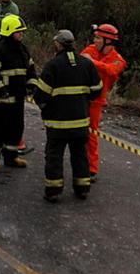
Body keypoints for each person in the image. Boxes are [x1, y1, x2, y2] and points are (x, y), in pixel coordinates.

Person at [33, 29, 102, 202]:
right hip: (80, 123)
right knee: (80, 155)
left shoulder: (53, 65)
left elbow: (40, 94)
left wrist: (46, 108)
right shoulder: (86, 64)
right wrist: (83, 102)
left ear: (58, 44)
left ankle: (54, 191)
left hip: (57, 124)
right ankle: (82, 188)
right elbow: (97, 90)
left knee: (54, 156)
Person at [0, 15, 37, 172]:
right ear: (8, 32)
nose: (21, 34)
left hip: (19, 98)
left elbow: (31, 70)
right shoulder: (0, 49)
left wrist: (32, 85)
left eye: (21, 32)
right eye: (18, 32)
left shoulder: (22, 50)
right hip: (3, 99)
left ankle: (11, 157)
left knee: (16, 128)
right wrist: (0, 89)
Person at [80, 23, 128, 182]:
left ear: (108, 41)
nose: (95, 40)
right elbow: (80, 61)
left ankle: (91, 168)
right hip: (80, 96)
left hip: (96, 101)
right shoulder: (90, 50)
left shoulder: (117, 60)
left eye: (98, 38)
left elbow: (112, 70)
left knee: (91, 134)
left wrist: (93, 63)